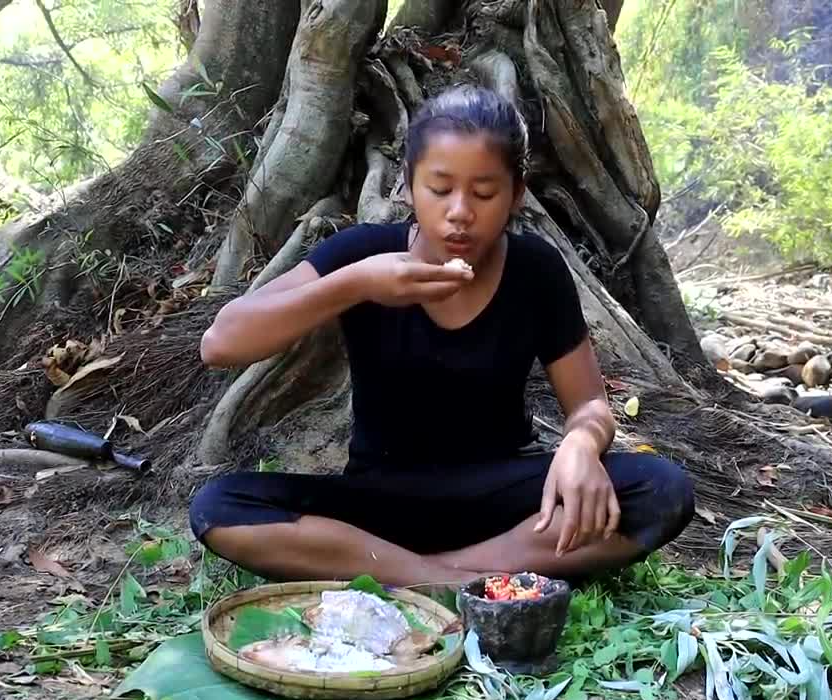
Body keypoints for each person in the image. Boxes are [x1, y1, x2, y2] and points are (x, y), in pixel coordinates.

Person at [193, 84, 694, 587]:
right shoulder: (365, 256)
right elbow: (221, 343)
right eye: (439, 189)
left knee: (659, 489)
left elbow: (589, 404)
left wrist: (581, 446)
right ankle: (460, 583)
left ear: (517, 194)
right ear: (408, 187)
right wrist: (355, 284)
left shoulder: (535, 270)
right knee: (222, 507)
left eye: (483, 193)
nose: (459, 211)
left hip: (501, 500)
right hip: (379, 503)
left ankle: (433, 578)